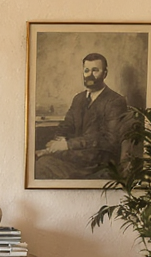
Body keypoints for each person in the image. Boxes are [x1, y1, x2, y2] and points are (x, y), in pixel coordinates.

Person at [34, 52, 129, 180]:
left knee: (42, 165)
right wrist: (58, 141)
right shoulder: (78, 99)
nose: (90, 75)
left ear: (105, 73)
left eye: (95, 70)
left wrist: (68, 145)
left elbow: (109, 140)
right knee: (38, 160)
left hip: (98, 162)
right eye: (86, 70)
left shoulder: (115, 101)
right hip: (76, 156)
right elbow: (67, 124)